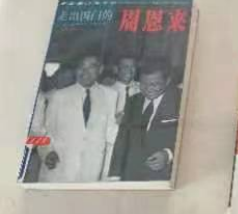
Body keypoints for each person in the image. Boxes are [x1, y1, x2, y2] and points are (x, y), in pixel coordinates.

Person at [39, 55, 118, 183]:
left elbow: (110, 136)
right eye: (81, 67)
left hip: (92, 170)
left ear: (100, 69)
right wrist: (47, 152)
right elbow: (44, 131)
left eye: (91, 67)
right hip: (61, 168)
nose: (85, 71)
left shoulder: (110, 96)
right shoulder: (59, 96)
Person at [109, 59, 181, 181]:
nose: (148, 88)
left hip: (162, 178)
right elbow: (122, 141)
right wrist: (115, 175)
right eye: (143, 84)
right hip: (130, 175)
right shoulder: (133, 101)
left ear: (167, 81)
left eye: (155, 84)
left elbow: (191, 139)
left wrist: (169, 154)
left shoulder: (180, 101)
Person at [112, 57, 141, 123]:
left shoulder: (144, 89)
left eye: (133, 67)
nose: (129, 70)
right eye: (125, 67)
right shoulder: (107, 92)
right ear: (116, 69)